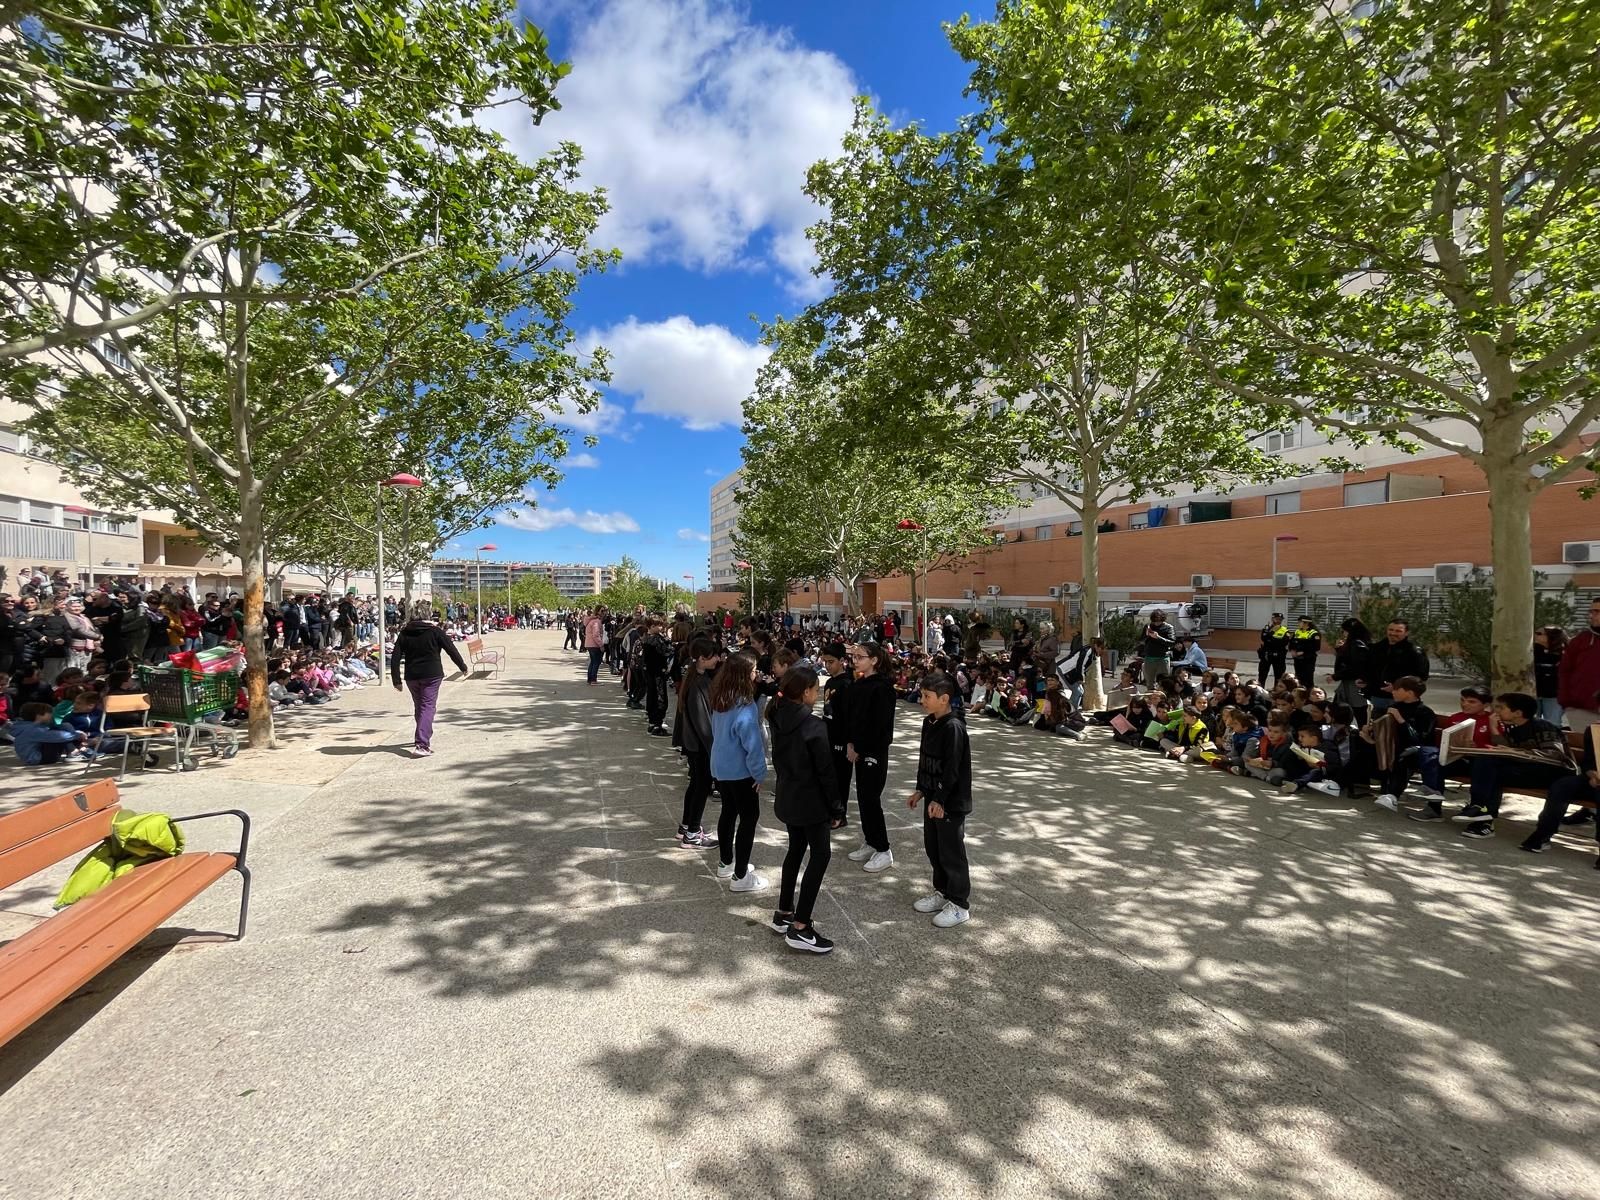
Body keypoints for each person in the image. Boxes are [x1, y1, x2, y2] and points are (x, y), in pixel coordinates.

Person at [768, 665, 845, 953]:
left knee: (796, 850)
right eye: (815, 690)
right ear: (805, 692)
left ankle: (784, 911)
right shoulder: (814, 726)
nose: (818, 694)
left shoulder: (776, 714)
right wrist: (837, 809)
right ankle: (800, 926)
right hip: (811, 802)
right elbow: (826, 772)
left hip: (789, 796)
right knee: (821, 854)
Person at [1452, 692, 1579, 839]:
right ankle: (1481, 811)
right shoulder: (1512, 728)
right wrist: (1493, 728)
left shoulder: (1542, 726)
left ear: (1518, 713)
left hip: (1551, 774)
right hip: (1525, 770)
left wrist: (1515, 751)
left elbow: (1554, 755)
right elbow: (1505, 750)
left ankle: (1482, 812)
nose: (1496, 712)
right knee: (1486, 764)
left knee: (1491, 773)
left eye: (1501, 708)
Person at [907, 670, 972, 928]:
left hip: (950, 802)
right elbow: (925, 760)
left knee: (951, 851)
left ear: (944, 699)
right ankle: (942, 891)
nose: (922, 700)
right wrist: (921, 790)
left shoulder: (954, 728)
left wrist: (941, 799)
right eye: (922, 694)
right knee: (933, 847)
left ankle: (959, 903)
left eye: (927, 696)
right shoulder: (929, 722)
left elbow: (952, 769)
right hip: (933, 796)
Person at [709, 652, 768, 892]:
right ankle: (741, 876)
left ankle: (726, 862)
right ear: (744, 674)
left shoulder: (720, 697)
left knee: (728, 812)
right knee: (748, 818)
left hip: (720, 765)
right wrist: (760, 773)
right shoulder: (745, 704)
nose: (756, 674)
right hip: (740, 770)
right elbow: (752, 745)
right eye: (753, 670)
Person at [842, 640, 898, 874]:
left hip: (874, 751)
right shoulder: (860, 684)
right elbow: (853, 718)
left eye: (860, 657)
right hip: (859, 748)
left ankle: (883, 849)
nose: (855, 661)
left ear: (874, 659)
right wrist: (851, 742)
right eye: (853, 657)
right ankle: (871, 840)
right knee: (863, 798)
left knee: (871, 798)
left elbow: (879, 726)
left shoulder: (883, 687)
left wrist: (861, 748)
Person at [389, 600, 468, 758]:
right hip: (431, 674)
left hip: (412, 676)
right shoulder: (435, 631)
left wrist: (396, 680)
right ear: (428, 614)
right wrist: (462, 666)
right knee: (428, 707)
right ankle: (422, 744)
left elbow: (395, 657)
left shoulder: (405, 632)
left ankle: (421, 735)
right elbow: (451, 649)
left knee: (420, 707)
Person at [672, 636, 722, 848]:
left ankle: (687, 825)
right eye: (713, 656)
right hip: (700, 745)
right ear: (701, 658)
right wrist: (714, 749)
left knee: (695, 784)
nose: (717, 659)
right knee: (701, 786)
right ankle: (692, 832)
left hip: (694, 744)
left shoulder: (695, 677)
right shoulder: (697, 684)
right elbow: (703, 724)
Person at [820, 641, 854, 826]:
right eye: (825, 661)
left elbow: (849, 716)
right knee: (828, 777)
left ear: (842, 661)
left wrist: (849, 742)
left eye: (831, 661)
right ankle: (830, 809)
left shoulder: (848, 684)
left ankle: (840, 815)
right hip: (828, 735)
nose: (827, 665)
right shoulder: (830, 682)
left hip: (841, 738)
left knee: (841, 778)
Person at [1364, 619, 1429, 715]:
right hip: (1377, 697)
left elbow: (1421, 677)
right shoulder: (1377, 648)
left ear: (1406, 633)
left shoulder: (1414, 652)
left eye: (1398, 631)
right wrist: (1364, 680)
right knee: (1378, 727)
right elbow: (1370, 668)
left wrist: (1396, 687)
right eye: (1391, 630)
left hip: (1402, 699)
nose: (1393, 633)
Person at [1557, 598, 1600, 731]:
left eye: (1597, 611)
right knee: (1587, 749)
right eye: (1590, 611)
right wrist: (1567, 701)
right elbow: (1564, 671)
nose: (1591, 615)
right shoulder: (1581, 640)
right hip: (1581, 708)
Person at [1330, 617, 1372, 726]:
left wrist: (1335, 676)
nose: (1343, 634)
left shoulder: (1357, 644)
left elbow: (1355, 666)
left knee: (1358, 710)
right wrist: (1340, 650)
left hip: (1353, 683)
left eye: (1344, 631)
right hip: (1348, 682)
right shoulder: (1355, 643)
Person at [1140, 609, 1177, 685]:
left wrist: (1158, 637)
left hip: (1162, 658)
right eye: (1154, 621)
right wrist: (1146, 635)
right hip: (1149, 657)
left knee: (1164, 681)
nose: (1156, 623)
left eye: (1158, 621)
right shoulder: (1148, 626)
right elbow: (1141, 641)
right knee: (1150, 682)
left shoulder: (1168, 627)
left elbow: (1172, 643)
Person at [1257, 613, 1289, 686]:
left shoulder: (1285, 630)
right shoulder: (1267, 628)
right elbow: (1263, 639)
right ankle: (1260, 691)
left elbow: (1284, 642)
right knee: (1262, 676)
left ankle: (1276, 693)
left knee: (1279, 676)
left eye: (1280, 619)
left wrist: (1270, 639)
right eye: (1276, 619)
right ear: (1272, 619)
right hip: (1266, 655)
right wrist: (1272, 632)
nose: (1278, 621)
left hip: (1279, 656)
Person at [1291, 617, 1321, 685]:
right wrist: (1292, 650)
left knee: (1307, 679)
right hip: (1298, 659)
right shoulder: (1297, 632)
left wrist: (1303, 652)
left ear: (1306, 623)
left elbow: (1316, 647)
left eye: (1300, 622)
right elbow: (1292, 643)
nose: (1298, 624)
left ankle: (1309, 693)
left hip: (1308, 659)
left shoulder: (1314, 633)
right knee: (1298, 678)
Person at [583, 606, 607, 684]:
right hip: (594, 644)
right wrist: (601, 645)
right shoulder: (596, 621)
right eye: (602, 611)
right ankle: (593, 679)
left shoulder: (591, 621)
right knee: (596, 662)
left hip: (589, 644)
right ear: (598, 612)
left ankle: (590, 679)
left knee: (593, 662)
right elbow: (596, 634)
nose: (604, 613)